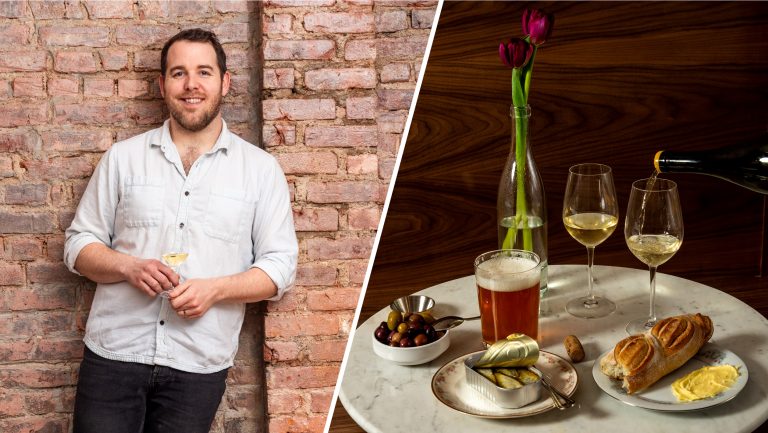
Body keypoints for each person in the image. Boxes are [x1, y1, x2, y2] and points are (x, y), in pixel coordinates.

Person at [64, 28, 298, 433]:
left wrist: (215, 289)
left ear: (224, 82)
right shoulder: (123, 159)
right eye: (178, 73)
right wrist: (128, 267)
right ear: (162, 84)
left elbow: (279, 268)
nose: (192, 85)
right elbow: (78, 245)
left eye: (204, 72)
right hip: (114, 356)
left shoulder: (261, 171)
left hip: (198, 365)